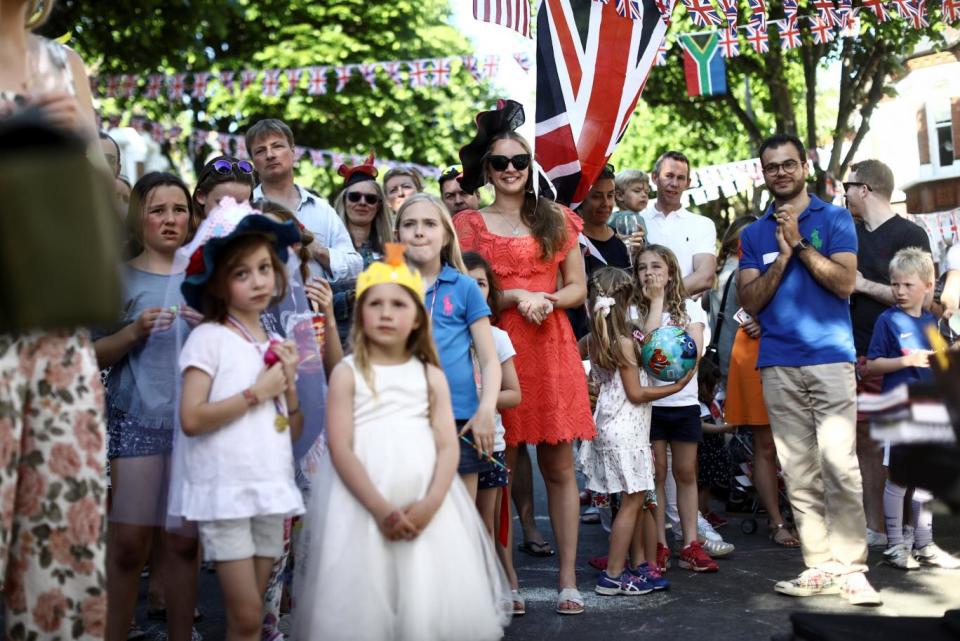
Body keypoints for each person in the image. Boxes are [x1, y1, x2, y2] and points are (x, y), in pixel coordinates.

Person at [292, 246, 510, 640]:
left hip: (423, 497)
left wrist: (429, 505)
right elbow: (340, 448)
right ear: (360, 314)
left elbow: (447, 447)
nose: (387, 313)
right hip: (362, 502)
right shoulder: (346, 373)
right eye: (375, 304)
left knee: (424, 597)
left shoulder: (430, 376)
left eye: (398, 304)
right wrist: (380, 509)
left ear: (416, 319)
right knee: (366, 599)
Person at [454, 99, 594, 615]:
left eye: (519, 161)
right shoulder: (467, 224)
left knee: (559, 467)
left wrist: (547, 298)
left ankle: (566, 580)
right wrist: (512, 297)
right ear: (486, 171)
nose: (511, 170)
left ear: (529, 167)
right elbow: (464, 286)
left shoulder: (556, 217)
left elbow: (578, 286)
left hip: (552, 344)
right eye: (500, 163)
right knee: (500, 470)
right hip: (496, 347)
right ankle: (503, 576)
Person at [1, 3, 108, 637]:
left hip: (58, 340)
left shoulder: (64, 64)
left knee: (60, 557)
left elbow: (103, 206)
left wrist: (80, 148)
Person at [738, 133, 879, 605]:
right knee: (798, 471)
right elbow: (749, 300)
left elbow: (843, 284)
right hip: (777, 363)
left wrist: (798, 245)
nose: (780, 172)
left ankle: (853, 568)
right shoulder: (753, 234)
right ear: (765, 173)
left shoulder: (836, 218)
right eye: (772, 166)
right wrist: (779, 259)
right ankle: (818, 567)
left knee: (840, 466)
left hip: (830, 359)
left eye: (788, 164)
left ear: (803, 167)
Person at [177, 215, 306, 641]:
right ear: (218, 284)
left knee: (250, 621)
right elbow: (192, 418)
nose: (258, 281)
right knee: (248, 614)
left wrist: (286, 385)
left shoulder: (271, 343)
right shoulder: (209, 338)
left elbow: (292, 429)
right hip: (226, 492)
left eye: (265, 268)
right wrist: (255, 392)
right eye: (241, 273)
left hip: (269, 488)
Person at [94, 173, 204, 641]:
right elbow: (92, 354)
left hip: (192, 424)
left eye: (178, 209)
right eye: (158, 209)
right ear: (139, 215)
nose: (170, 219)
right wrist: (133, 332)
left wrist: (212, 326)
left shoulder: (206, 276)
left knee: (182, 542)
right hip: (136, 419)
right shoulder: (117, 277)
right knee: (128, 544)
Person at [579, 267, 683, 596]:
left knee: (632, 500)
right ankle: (613, 575)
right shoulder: (623, 342)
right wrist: (676, 386)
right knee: (632, 502)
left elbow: (574, 359)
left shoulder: (595, 338)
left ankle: (637, 567)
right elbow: (636, 393)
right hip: (626, 430)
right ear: (624, 301)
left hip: (613, 426)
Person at [846, 159, 932, 549]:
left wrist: (863, 284)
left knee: (907, 441)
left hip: (904, 356)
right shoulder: (847, 232)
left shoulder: (910, 233)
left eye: (848, 185)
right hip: (857, 351)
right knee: (867, 440)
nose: (843, 193)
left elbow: (923, 296)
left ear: (864, 189)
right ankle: (876, 527)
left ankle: (914, 531)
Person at [395, 194, 501, 496]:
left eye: (429, 224)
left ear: (445, 236)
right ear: (397, 235)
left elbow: (490, 359)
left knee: (461, 518)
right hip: (402, 414)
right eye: (409, 224)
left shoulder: (465, 286)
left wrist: (486, 411)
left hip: (460, 418)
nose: (418, 231)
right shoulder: (386, 286)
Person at [865, 248, 960, 571]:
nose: (900, 291)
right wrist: (907, 360)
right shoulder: (887, 320)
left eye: (907, 285)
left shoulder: (933, 323)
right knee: (900, 479)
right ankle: (895, 544)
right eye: (895, 285)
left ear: (928, 286)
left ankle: (924, 542)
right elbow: (872, 366)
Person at [632, 245, 716, 573]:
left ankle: (690, 543)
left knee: (685, 473)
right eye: (642, 268)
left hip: (682, 403)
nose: (649, 273)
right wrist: (654, 302)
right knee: (656, 474)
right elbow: (647, 351)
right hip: (650, 407)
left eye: (656, 266)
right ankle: (660, 544)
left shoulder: (692, 309)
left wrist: (679, 379)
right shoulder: (634, 312)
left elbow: (691, 352)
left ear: (670, 273)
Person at [717, 217, 799, 547]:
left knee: (797, 446)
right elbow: (743, 310)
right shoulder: (742, 268)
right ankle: (777, 522)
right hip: (752, 356)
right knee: (765, 446)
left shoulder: (794, 257)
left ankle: (805, 518)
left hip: (793, 352)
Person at [463, 251, 524, 615]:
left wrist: (477, 400)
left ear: (490, 292)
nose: (474, 290)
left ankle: (501, 581)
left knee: (489, 521)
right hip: (449, 442)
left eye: (481, 283)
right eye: (466, 283)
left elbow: (514, 393)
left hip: (489, 443)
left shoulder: (497, 338)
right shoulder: (439, 335)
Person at [245, 118, 361, 281]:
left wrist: (318, 250)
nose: (270, 155)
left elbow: (355, 266)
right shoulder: (244, 210)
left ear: (293, 153)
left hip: (316, 306)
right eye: (260, 151)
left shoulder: (322, 209)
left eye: (277, 146)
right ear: (253, 162)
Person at [330, 154, 390, 347]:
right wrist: (349, 298)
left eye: (371, 199)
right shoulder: (326, 248)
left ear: (379, 206)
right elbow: (309, 302)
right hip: (335, 346)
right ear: (344, 201)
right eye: (355, 196)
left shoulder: (393, 250)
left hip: (381, 345)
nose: (362, 202)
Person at [639, 152, 717, 297]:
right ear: (655, 177)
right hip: (642, 314)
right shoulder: (637, 221)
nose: (674, 183)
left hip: (688, 315)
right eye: (669, 176)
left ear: (688, 183)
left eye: (681, 178)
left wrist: (661, 298)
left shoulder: (703, 224)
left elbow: (705, 277)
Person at [569, 164, 631, 339]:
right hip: (586, 339)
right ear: (581, 199)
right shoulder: (573, 244)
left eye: (610, 195)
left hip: (625, 336)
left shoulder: (624, 241)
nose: (606, 203)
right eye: (596, 196)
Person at [191, 155, 256, 229]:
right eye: (223, 204)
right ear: (201, 196)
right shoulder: (182, 237)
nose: (231, 213)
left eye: (240, 206)